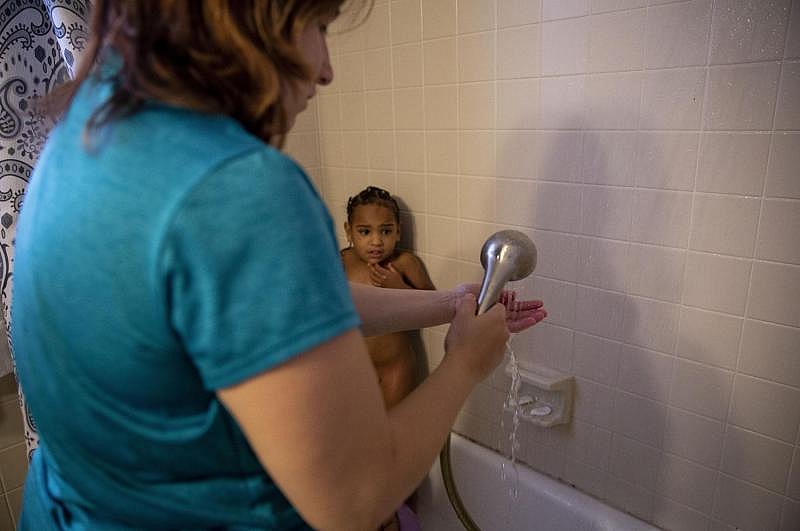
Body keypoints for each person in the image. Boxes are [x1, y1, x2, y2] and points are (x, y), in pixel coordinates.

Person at [11, 1, 548, 530]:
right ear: (252, 16)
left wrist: (446, 304)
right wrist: (464, 364)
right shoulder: (237, 188)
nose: (327, 69)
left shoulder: (89, 132)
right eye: (318, 25)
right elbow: (355, 500)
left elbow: (277, 306)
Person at [341, 186, 434, 530]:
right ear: (349, 232)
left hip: (396, 370)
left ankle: (401, 516)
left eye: (385, 231)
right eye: (364, 232)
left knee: (397, 452)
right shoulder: (343, 262)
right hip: (355, 373)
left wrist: (399, 286)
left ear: (399, 231)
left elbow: (432, 309)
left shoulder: (405, 263)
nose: (375, 241)